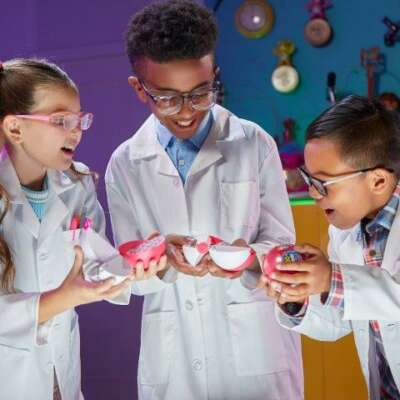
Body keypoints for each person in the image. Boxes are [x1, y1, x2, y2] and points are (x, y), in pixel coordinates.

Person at [105, 1, 304, 399]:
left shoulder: (253, 143)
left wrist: (247, 257)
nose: (186, 112)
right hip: (173, 359)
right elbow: (128, 274)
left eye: (200, 93)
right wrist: (161, 258)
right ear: (139, 88)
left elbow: (284, 248)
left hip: (256, 352)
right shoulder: (125, 163)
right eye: (167, 98)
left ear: (214, 76)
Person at [0, 58, 165, 400]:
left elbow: (95, 268)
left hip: (62, 377)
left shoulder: (77, 184)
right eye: (61, 120)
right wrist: (63, 298)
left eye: (79, 120)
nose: (76, 131)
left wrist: (136, 265)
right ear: (15, 129)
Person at [266, 95, 400, 399]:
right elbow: (341, 319)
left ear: (378, 181)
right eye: (308, 178)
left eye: (323, 183)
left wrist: (331, 278)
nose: (313, 193)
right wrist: (297, 297)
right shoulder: (345, 229)